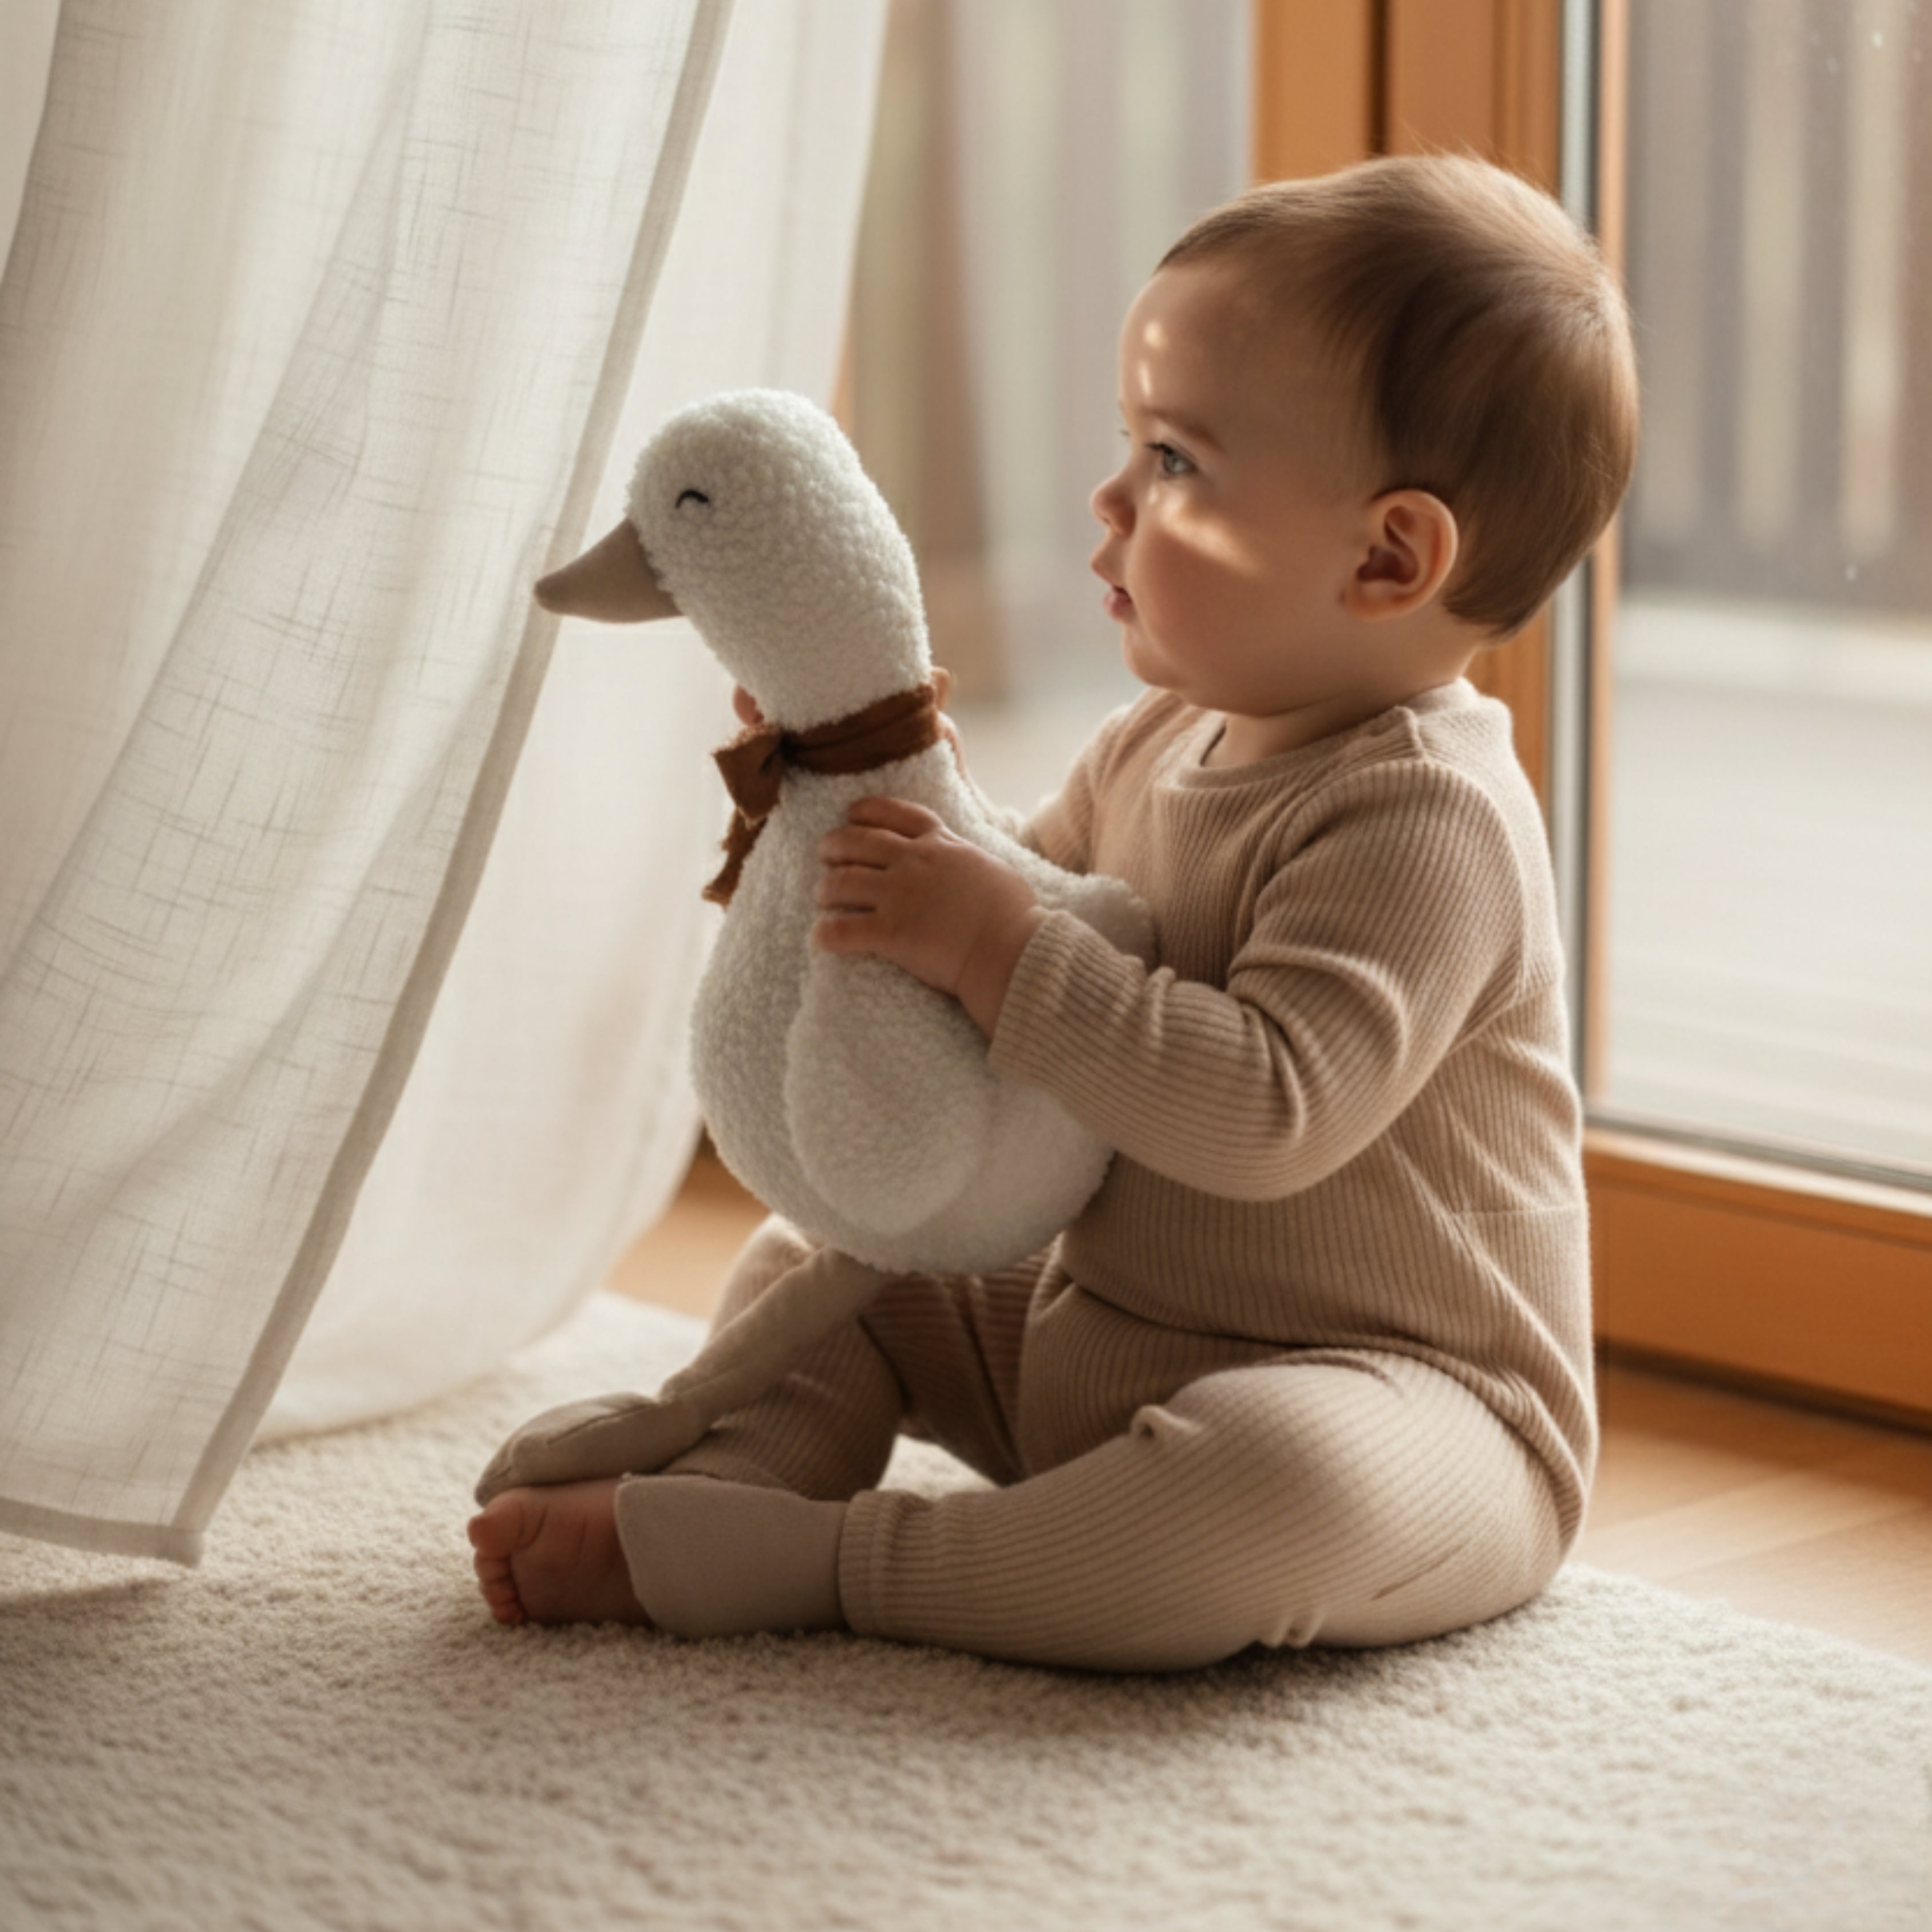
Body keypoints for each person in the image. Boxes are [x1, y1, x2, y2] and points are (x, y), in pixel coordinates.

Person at [470, 152, 1640, 1671]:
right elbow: (1024, 905)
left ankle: (831, 1564)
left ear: (1386, 556)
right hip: (1095, 1331)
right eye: (1128, 444)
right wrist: (870, 788)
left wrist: (994, 945)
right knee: (826, 1254)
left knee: (1259, 1499)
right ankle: (732, 1474)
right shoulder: (1159, 739)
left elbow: (1269, 1106)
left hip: (1398, 1402)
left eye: (1175, 461)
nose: (1109, 497)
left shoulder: (1430, 818)